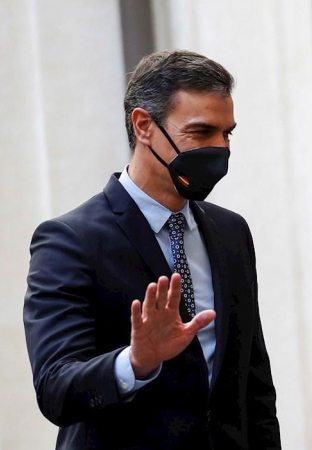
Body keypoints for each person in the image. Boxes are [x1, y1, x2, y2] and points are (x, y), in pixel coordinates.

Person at [23, 50, 281, 449]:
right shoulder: (69, 240)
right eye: (201, 132)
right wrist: (136, 362)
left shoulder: (231, 232)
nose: (220, 148)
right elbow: (56, 389)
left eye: (226, 133)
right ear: (143, 125)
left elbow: (254, 384)